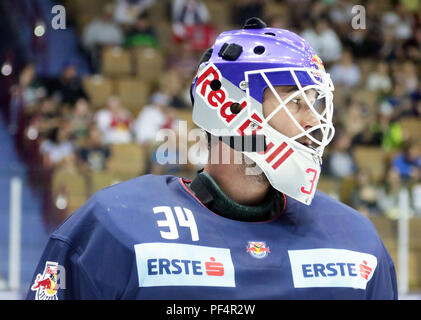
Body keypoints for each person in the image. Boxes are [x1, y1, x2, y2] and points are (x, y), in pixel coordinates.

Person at [27, 18, 397, 300]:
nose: (313, 120)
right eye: (295, 99)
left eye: (315, 103)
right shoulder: (110, 227)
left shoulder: (357, 242)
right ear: (230, 106)